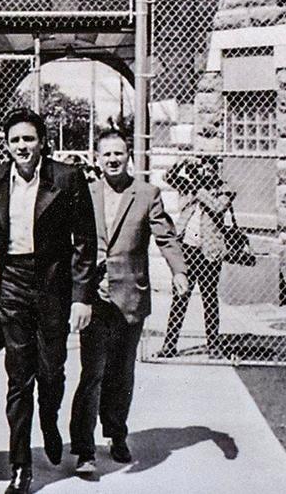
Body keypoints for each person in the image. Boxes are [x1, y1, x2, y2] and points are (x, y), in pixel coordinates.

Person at [0, 108, 98, 494]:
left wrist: (82, 297)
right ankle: (20, 466)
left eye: (28, 139)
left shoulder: (66, 177)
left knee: (52, 371)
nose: (22, 147)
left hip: (53, 285)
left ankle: (49, 419)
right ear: (7, 144)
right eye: (15, 140)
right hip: (12, 281)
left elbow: (84, 243)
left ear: (42, 141)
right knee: (18, 377)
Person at [68, 129, 189, 474]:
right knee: (91, 372)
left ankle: (117, 434)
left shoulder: (147, 194)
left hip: (130, 297)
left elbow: (166, 236)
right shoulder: (85, 193)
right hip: (94, 296)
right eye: (106, 154)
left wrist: (178, 271)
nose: (112, 159)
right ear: (97, 157)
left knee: (121, 373)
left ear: (128, 156)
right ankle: (84, 449)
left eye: (118, 153)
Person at [156, 156, 236, 360]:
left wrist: (200, 190)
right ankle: (169, 345)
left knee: (209, 300)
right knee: (180, 298)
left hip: (209, 252)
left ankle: (214, 346)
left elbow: (218, 207)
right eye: (203, 166)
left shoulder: (224, 189)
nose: (206, 170)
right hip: (187, 250)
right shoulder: (189, 184)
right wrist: (182, 162)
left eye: (211, 167)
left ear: (217, 169)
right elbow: (168, 177)